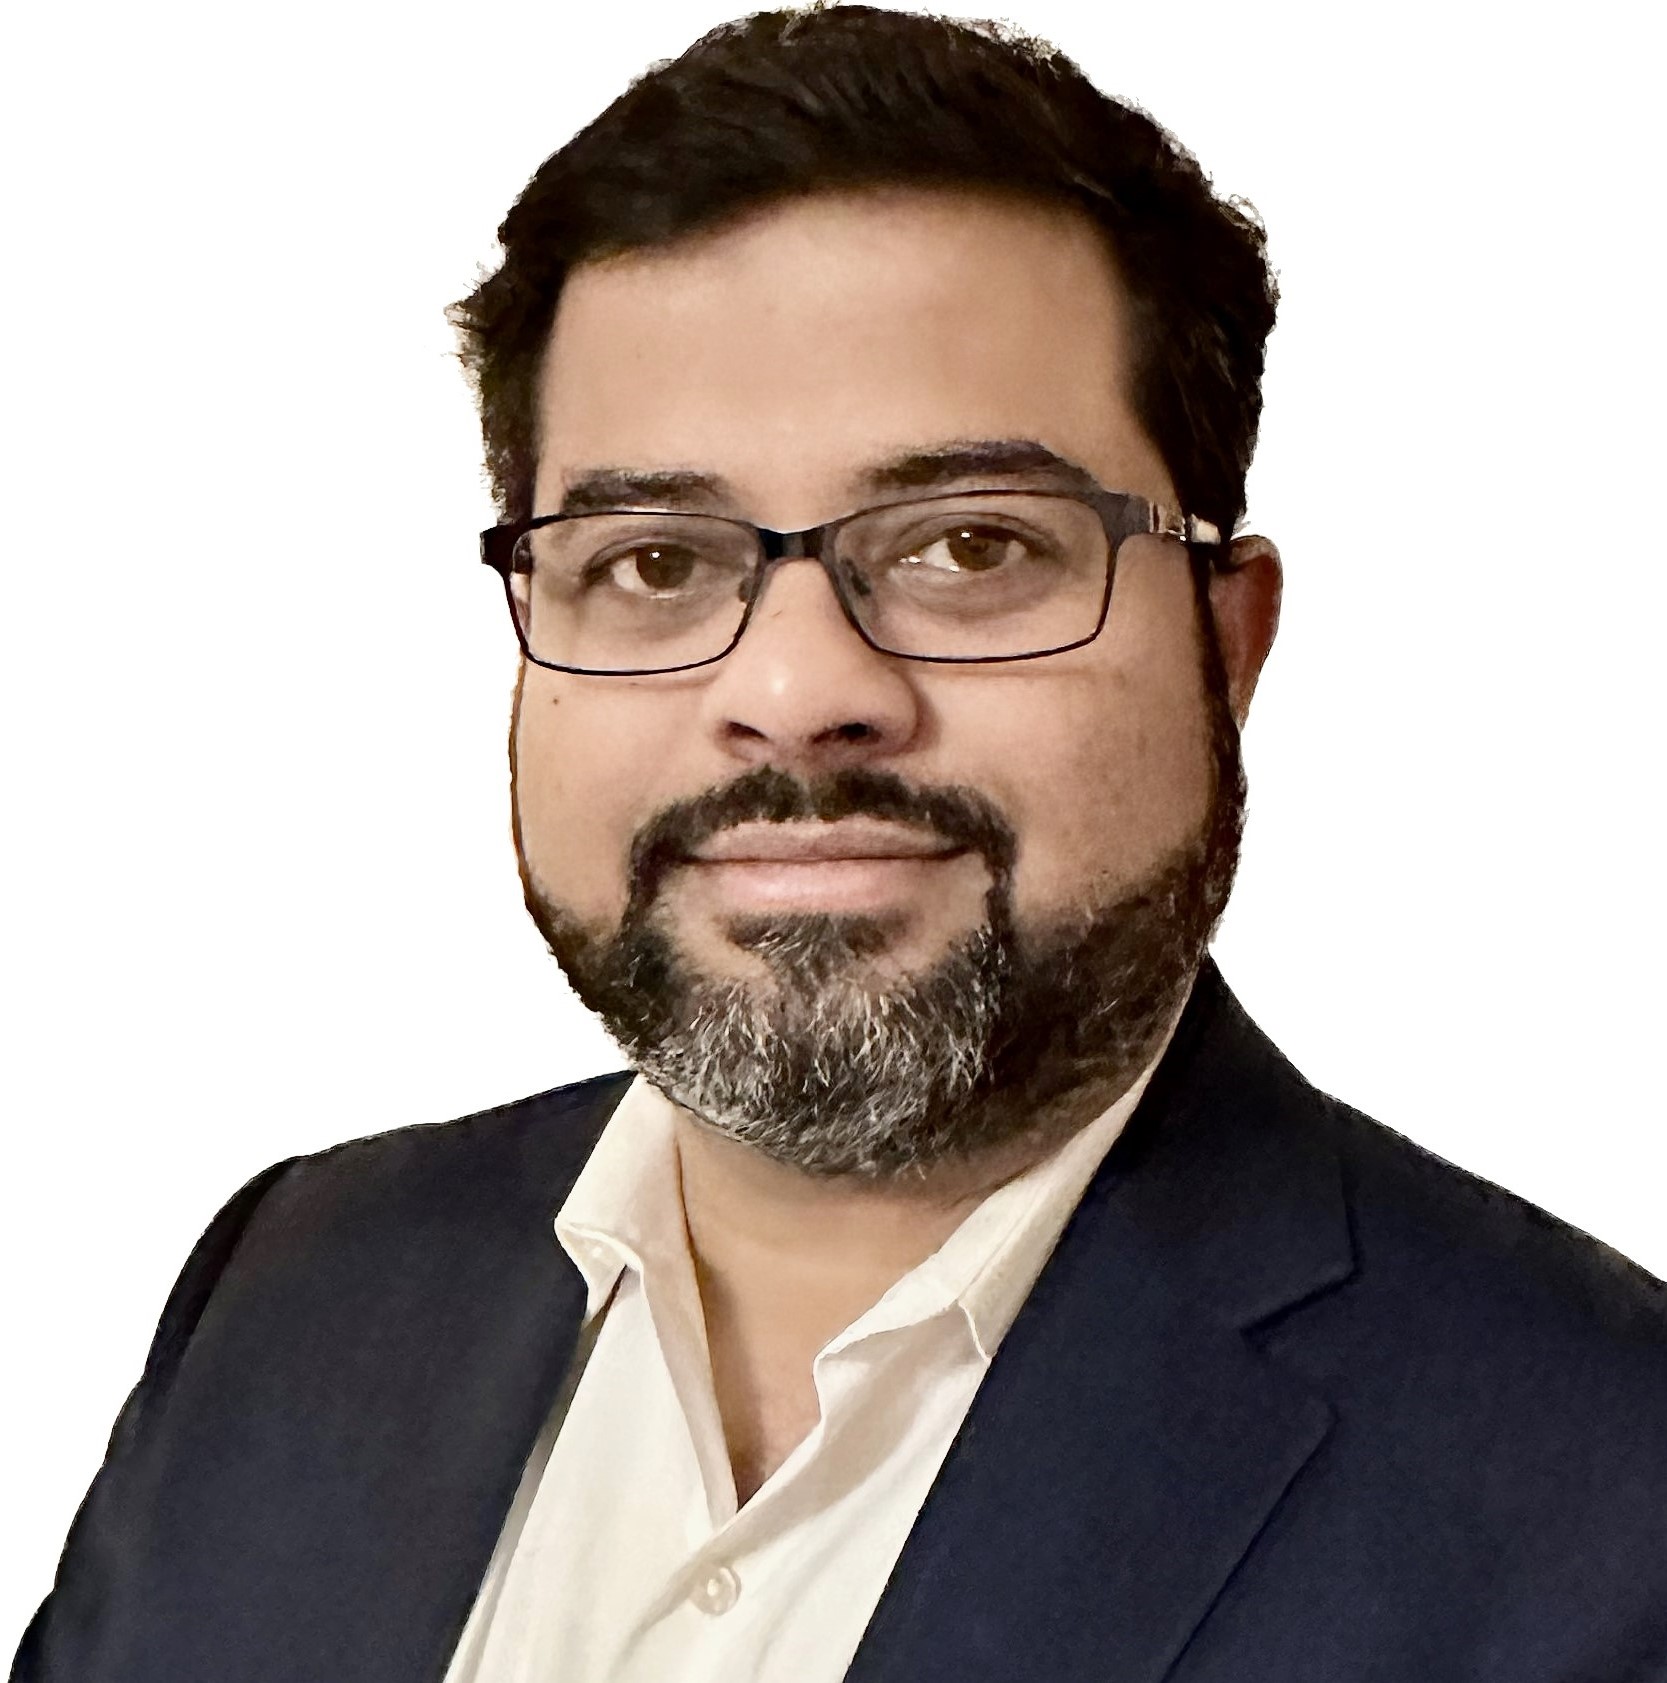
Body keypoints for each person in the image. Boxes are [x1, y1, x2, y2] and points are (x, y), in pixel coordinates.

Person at [14, 8, 1667, 1681]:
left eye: (972, 545)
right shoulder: (294, 1289)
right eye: (656, 562)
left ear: (1224, 645)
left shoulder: (1610, 1498)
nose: (798, 695)